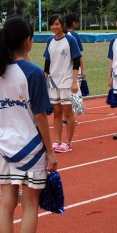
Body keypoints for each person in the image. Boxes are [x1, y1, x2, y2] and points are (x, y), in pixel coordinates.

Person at [0, 16, 57, 233]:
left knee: (6, 205)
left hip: (2, 146)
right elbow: (40, 116)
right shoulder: (33, 72)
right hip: (29, 146)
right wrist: (51, 151)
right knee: (30, 205)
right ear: (28, 41)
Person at [43, 14, 81, 152]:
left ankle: (68, 142)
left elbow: (76, 61)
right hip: (54, 82)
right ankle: (57, 141)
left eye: (57, 24)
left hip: (67, 81)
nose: (54, 27)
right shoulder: (50, 41)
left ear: (63, 25)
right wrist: (44, 78)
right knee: (57, 112)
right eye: (52, 24)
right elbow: (47, 62)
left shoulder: (70, 40)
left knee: (68, 112)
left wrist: (75, 81)